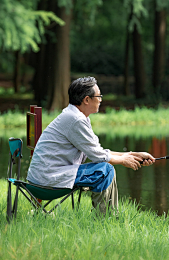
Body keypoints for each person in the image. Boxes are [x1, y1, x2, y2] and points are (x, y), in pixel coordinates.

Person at [27, 77, 155, 215]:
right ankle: (105, 218)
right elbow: (99, 157)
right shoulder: (75, 120)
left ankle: (109, 216)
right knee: (104, 170)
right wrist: (124, 160)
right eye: (99, 96)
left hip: (46, 176)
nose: (101, 99)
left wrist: (132, 155)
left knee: (105, 168)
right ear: (87, 100)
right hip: (47, 181)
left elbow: (99, 151)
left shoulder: (77, 116)